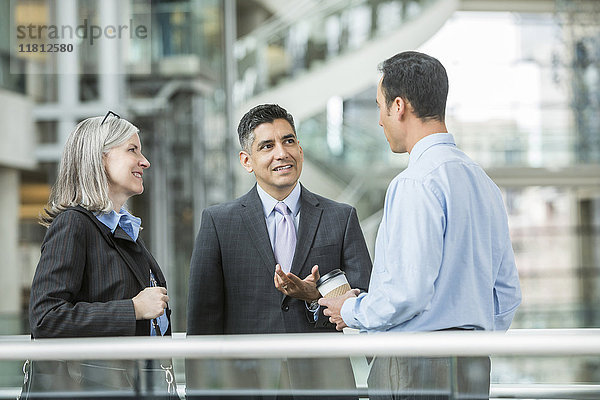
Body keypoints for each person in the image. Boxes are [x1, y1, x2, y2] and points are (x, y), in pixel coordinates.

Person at [319, 51, 522, 400]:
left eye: (380, 107)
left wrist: (351, 310)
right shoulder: (483, 182)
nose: (380, 121)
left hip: (414, 366)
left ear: (399, 106)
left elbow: (408, 293)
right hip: (474, 365)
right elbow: (506, 297)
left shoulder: (415, 182)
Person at [187, 104, 372, 399]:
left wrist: (316, 299)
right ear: (247, 161)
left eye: (288, 141)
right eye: (267, 146)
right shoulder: (219, 222)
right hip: (246, 382)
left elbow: (366, 302)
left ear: (300, 148)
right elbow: (203, 320)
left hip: (324, 382)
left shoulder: (341, 217)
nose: (281, 153)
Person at [27, 111, 175, 399]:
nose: (145, 162)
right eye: (132, 150)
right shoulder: (73, 224)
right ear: (99, 158)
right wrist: (132, 308)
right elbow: (46, 318)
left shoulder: (121, 230)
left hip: (138, 385)